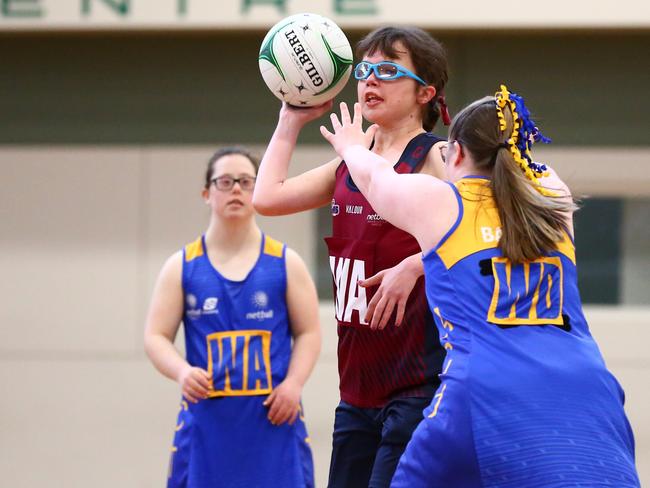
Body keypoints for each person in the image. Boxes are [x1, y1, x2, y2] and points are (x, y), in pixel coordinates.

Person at [320, 87, 641, 487]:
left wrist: (352, 146)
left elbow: (374, 177)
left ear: (455, 154)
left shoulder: (444, 203)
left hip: (486, 388)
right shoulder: (552, 200)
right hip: (588, 386)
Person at [254, 26, 451, 487]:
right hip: (357, 390)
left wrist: (415, 264)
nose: (369, 81)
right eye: (364, 70)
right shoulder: (351, 160)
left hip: (418, 383)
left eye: (387, 70)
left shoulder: (434, 156)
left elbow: (480, 231)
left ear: (426, 92)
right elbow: (267, 197)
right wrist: (290, 119)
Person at [144, 147, 321, 488]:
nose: (236, 189)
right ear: (207, 194)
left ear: (258, 190)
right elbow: (155, 337)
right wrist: (182, 372)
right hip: (206, 422)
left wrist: (294, 384)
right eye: (225, 182)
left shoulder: (285, 262)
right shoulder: (182, 266)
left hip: (273, 417)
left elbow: (310, 332)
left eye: (245, 181)